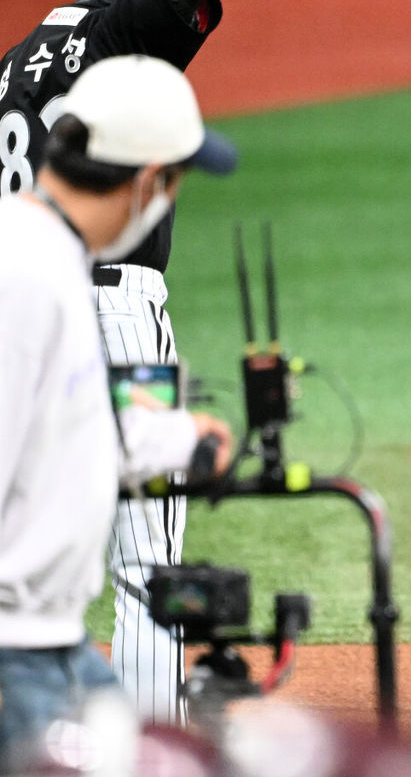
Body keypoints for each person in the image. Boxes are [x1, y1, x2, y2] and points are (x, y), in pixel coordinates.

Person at [0, 0, 257, 726]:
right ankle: (151, 736)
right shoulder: (123, 38)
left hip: (21, 287)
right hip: (109, 304)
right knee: (149, 537)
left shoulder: (27, 50)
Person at [0, 54, 237, 773]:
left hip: (52, 647)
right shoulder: (24, 273)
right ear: (146, 181)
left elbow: (58, 424)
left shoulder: (50, 255)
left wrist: (172, 436)